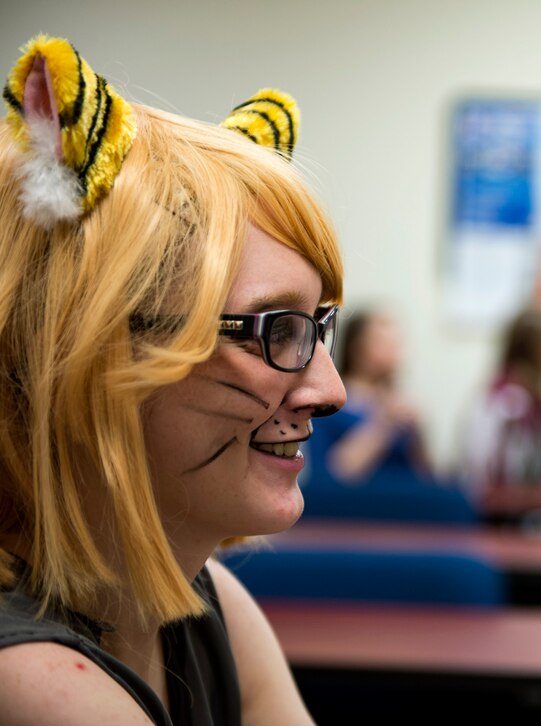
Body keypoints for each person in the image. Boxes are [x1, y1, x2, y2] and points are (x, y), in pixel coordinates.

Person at [0, 36, 345, 724]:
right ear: (92, 358)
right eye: (275, 330)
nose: (330, 390)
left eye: (318, 326)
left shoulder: (205, 601)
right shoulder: (32, 682)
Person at [305, 308, 430, 487]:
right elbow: (334, 472)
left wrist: (417, 431)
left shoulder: (400, 402)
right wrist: (385, 423)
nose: (393, 351)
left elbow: (426, 475)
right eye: (382, 342)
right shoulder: (333, 399)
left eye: (395, 344)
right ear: (356, 347)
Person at [460, 306, 541, 513]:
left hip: (523, 508)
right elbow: (483, 461)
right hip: (498, 511)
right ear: (534, 350)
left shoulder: (535, 399)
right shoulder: (508, 400)